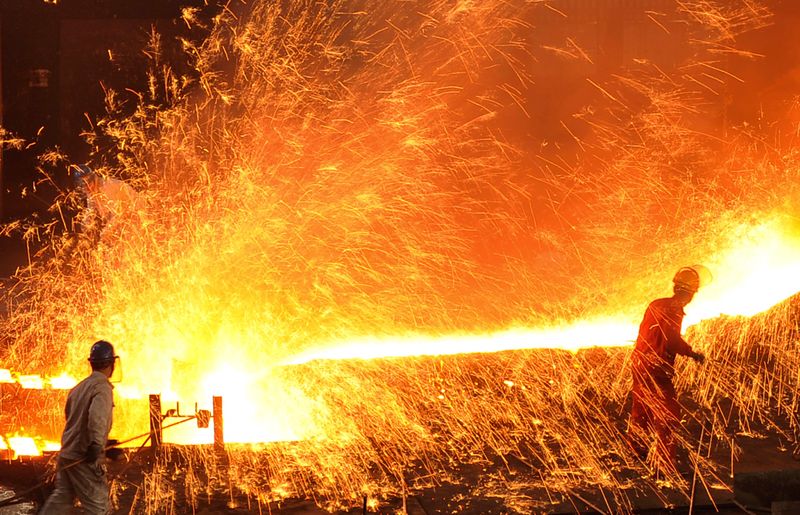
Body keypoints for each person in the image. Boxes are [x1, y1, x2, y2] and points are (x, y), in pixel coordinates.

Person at [628, 266, 707, 471]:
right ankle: (664, 465)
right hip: (657, 367)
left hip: (639, 362)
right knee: (668, 415)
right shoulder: (674, 309)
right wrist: (692, 353)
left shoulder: (657, 304)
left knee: (641, 409)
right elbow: (671, 339)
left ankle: (637, 452)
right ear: (690, 292)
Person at [40, 340, 117, 514]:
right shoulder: (102, 387)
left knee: (62, 497)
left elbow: (73, 420)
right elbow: (96, 417)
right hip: (83, 457)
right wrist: (97, 444)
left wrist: (105, 442)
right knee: (99, 508)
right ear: (111, 363)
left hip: (67, 453)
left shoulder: (79, 388)